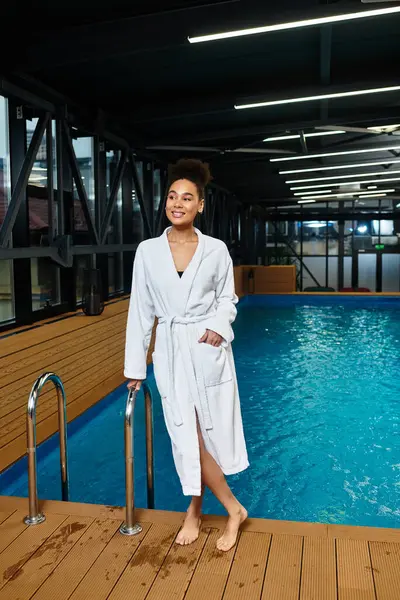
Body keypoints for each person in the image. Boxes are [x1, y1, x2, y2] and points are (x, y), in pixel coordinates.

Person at [124, 159, 249, 552]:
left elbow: (228, 297)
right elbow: (141, 310)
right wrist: (136, 368)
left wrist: (218, 327)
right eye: (172, 197)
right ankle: (227, 509)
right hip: (171, 351)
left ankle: (210, 511)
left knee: (203, 436)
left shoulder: (215, 250)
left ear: (200, 205)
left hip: (206, 347)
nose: (178, 203)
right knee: (186, 435)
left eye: (187, 197)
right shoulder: (148, 251)